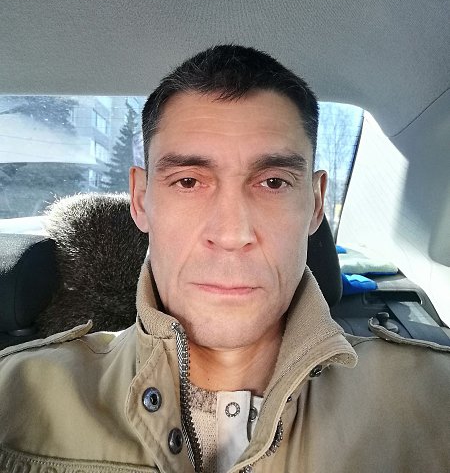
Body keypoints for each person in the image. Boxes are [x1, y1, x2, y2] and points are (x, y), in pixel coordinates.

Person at [0, 45, 449, 473]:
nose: (232, 234)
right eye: (188, 182)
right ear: (140, 199)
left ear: (315, 204)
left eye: (273, 182)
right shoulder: (16, 397)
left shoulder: (433, 401)